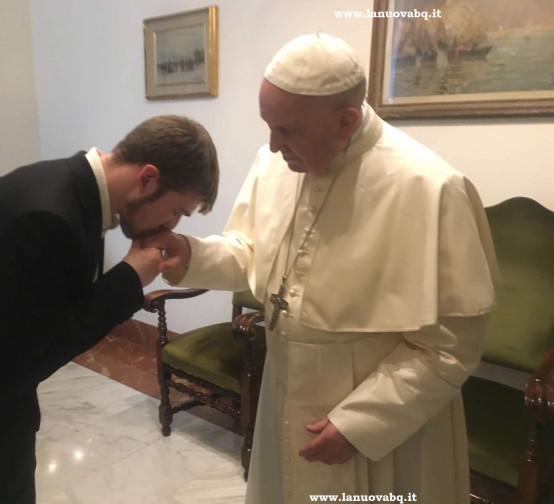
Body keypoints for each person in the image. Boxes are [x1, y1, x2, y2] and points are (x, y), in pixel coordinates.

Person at [147, 34, 499, 503]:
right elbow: (253, 255)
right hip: (286, 388)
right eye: (267, 126)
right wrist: (193, 256)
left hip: (386, 418)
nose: (272, 146)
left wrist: (362, 422)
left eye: (287, 130)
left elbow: (451, 346)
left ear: (345, 121)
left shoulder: (431, 187)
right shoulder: (278, 162)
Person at [0, 115, 219, 502]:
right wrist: (127, 279)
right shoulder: (49, 217)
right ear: (148, 178)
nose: (171, 225)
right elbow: (34, 352)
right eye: (177, 211)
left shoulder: (57, 182)